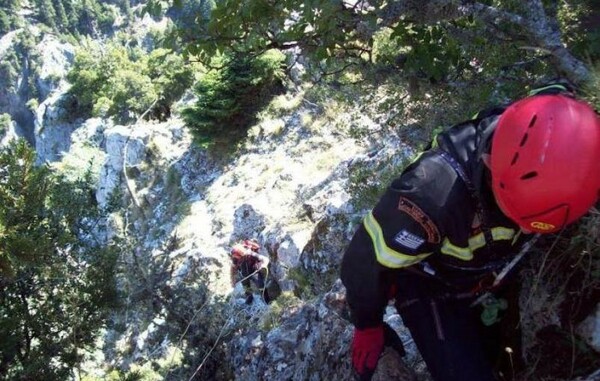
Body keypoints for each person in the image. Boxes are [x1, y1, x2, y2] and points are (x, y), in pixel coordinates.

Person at [340, 83, 600, 381]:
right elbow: (364, 259)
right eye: (518, 216)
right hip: (430, 285)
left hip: (496, 269)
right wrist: (368, 323)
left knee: (506, 364)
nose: (525, 228)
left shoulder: (559, 123)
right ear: (491, 164)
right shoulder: (430, 194)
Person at [230, 239, 270, 304]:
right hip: (243, 273)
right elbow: (233, 269)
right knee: (246, 287)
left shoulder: (250, 253)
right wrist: (232, 280)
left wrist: (263, 265)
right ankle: (249, 297)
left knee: (261, 285)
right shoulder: (235, 258)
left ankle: (267, 300)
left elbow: (265, 259)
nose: (239, 259)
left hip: (254, 270)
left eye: (240, 257)